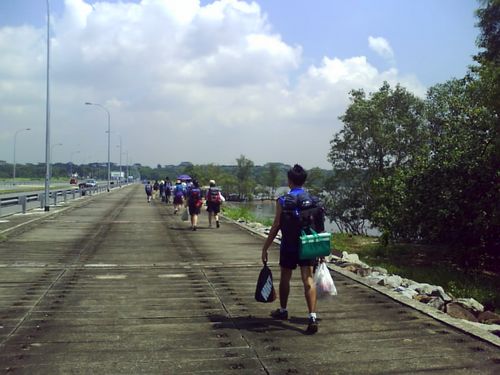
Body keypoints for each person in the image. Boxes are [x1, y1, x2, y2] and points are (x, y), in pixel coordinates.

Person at [261, 164, 324, 335]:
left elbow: (275, 226)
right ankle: (312, 316)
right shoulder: (312, 200)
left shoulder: (283, 200)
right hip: (308, 244)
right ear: (304, 181)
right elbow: (319, 227)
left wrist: (265, 247)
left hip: (289, 245)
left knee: (285, 278)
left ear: (289, 181)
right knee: (308, 279)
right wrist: (321, 251)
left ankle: (283, 309)